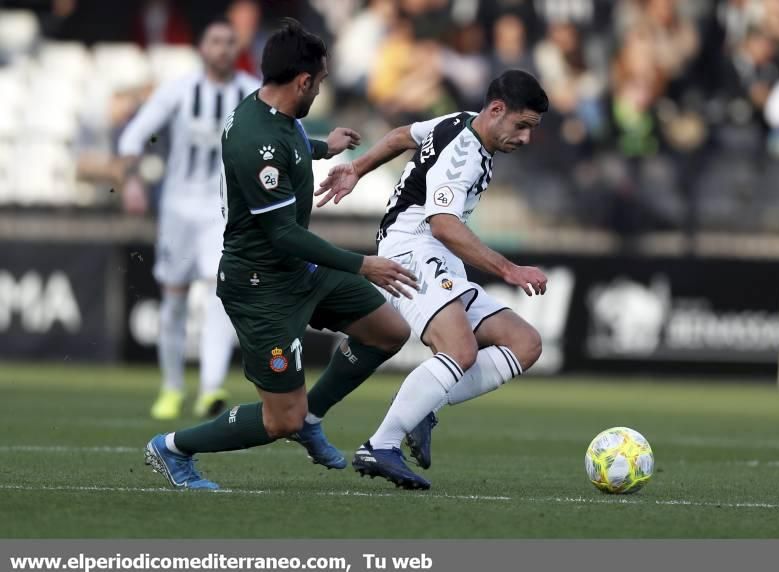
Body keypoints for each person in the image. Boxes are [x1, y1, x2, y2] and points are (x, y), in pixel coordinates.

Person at [143, 19, 417, 490]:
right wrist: (362, 263)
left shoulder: (274, 114)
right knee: (279, 421)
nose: (322, 88)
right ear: (303, 82)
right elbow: (283, 234)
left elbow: (285, 146)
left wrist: (321, 148)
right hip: (261, 287)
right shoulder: (255, 138)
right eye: (322, 80)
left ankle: (312, 415)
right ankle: (173, 448)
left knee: (388, 331)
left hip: (299, 271)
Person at [315, 70, 550, 490]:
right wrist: (509, 270)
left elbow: (403, 135)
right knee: (459, 350)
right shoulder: (463, 153)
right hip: (412, 247)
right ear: (497, 110)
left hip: (436, 254)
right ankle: (381, 445)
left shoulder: (457, 120)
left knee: (525, 343)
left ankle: (423, 406)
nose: (526, 139)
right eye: (522, 126)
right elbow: (442, 223)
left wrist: (357, 168)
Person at [118, 17, 261, 421]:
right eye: (215, 40)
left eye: (230, 42)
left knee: (220, 293)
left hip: (223, 212)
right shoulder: (180, 90)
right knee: (175, 299)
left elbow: (287, 135)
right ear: (202, 47)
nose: (223, 48)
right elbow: (133, 136)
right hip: (178, 210)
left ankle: (211, 386)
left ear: (238, 49)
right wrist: (132, 181)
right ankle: (171, 388)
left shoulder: (250, 92)